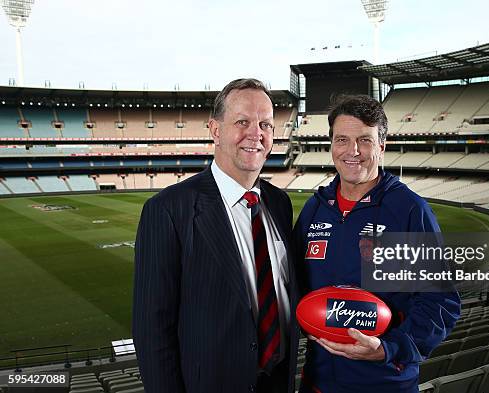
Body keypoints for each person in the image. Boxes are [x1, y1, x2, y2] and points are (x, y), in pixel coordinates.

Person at [133, 78, 299, 393]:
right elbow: (151, 331)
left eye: (266, 124)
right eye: (243, 122)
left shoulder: (280, 203)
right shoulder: (168, 210)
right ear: (215, 130)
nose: (256, 134)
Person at [293, 95, 461, 393]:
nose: (352, 151)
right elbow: (291, 286)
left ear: (381, 147)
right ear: (331, 145)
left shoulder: (408, 210)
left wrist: (390, 349)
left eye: (365, 140)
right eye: (342, 139)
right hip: (318, 383)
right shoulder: (315, 210)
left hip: (384, 383)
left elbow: (440, 302)